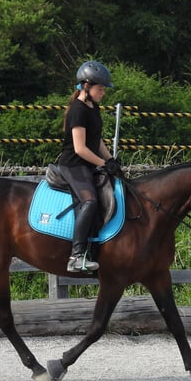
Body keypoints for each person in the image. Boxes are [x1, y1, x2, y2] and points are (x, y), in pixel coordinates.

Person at [57, 60, 122, 273]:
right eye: (100, 88)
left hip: (88, 163)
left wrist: (111, 160)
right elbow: (80, 149)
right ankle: (76, 256)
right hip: (73, 165)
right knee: (90, 201)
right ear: (86, 86)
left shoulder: (93, 106)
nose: (103, 92)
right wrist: (103, 163)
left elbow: (97, 140)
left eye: (103, 89)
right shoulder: (77, 110)